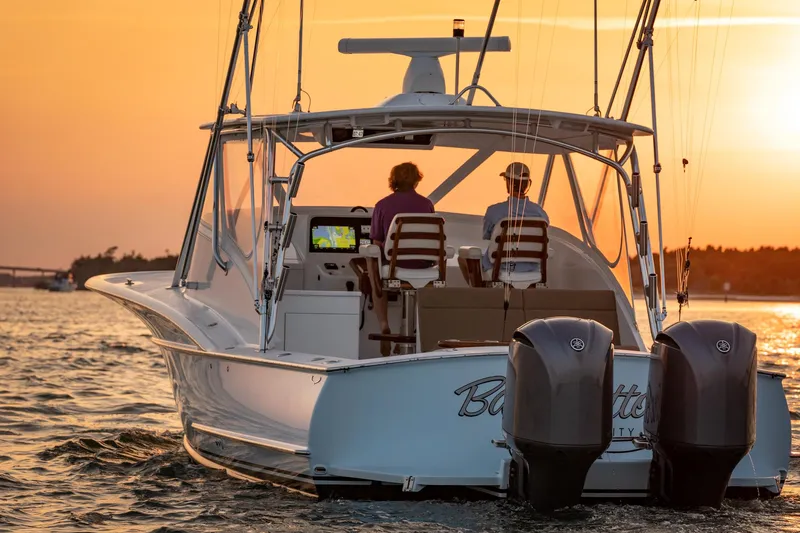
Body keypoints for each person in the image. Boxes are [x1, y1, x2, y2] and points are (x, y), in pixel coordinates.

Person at [368, 162, 434, 355]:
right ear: (416, 180)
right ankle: (413, 327)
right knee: (413, 284)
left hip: (395, 266)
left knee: (372, 263)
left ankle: (384, 324)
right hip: (423, 266)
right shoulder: (426, 204)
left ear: (393, 180)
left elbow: (376, 241)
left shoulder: (382, 205)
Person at [481, 162, 549, 276]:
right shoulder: (541, 214)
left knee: (468, 260)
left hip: (500, 267)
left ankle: (481, 293)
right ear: (527, 184)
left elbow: (487, 236)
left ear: (508, 183)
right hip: (530, 269)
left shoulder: (493, 211)